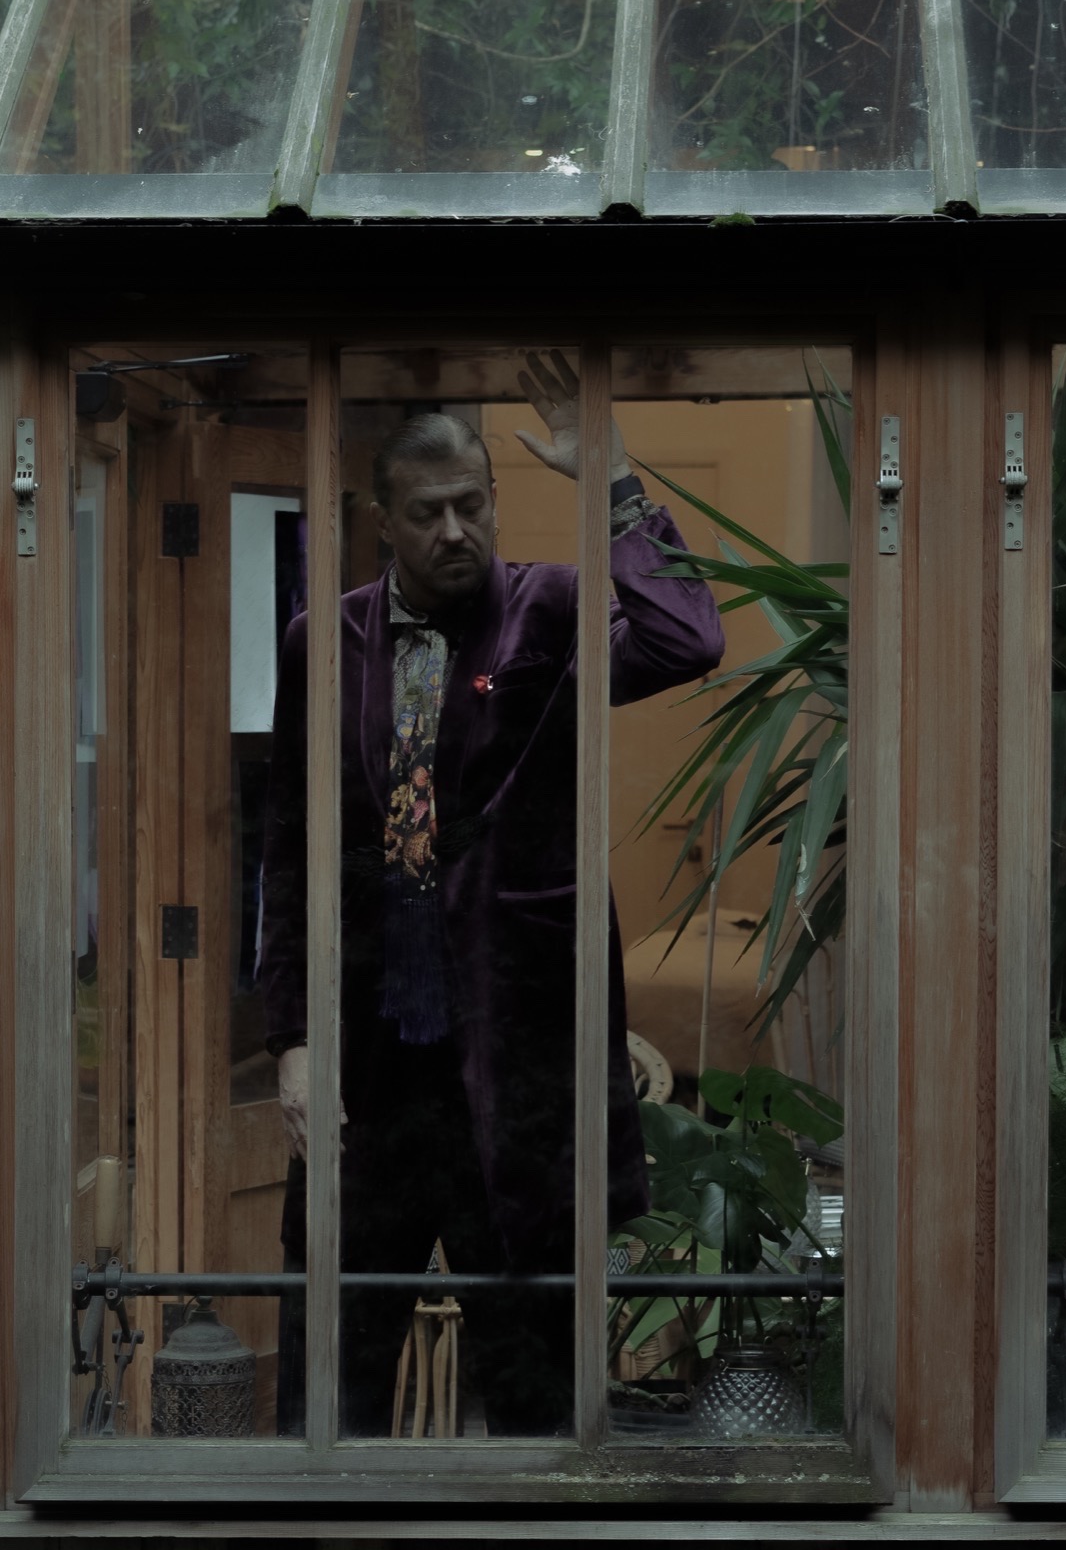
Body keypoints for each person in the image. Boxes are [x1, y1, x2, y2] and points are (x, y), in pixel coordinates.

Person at [261, 351, 725, 1437]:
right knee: (331, 1383)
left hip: (515, 1066)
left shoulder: (550, 611)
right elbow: (290, 842)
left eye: (471, 505)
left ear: (494, 500)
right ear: (383, 520)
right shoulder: (321, 640)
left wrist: (610, 478)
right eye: (427, 513)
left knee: (535, 1394)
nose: (454, 530)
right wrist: (292, 1039)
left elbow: (686, 636)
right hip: (372, 1074)